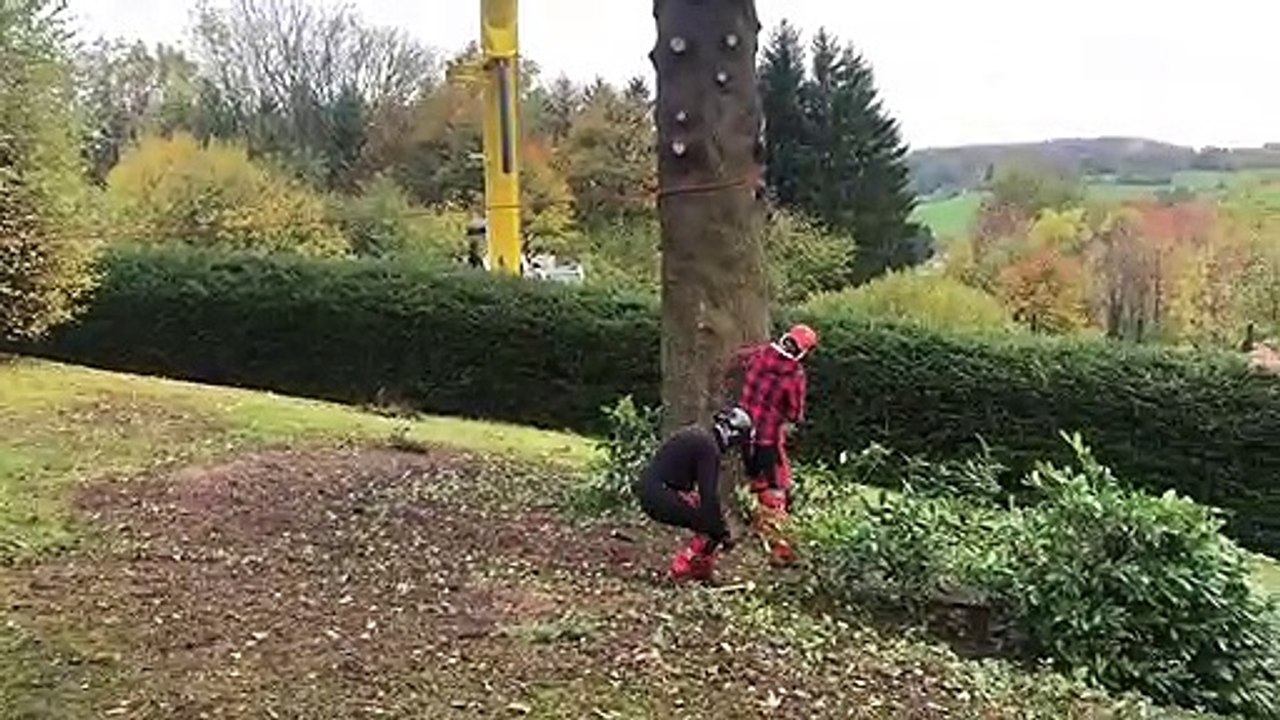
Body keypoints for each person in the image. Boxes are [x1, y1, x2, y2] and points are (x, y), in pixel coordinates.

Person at [730, 323, 818, 565]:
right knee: (775, 489)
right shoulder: (794, 374)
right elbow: (795, 412)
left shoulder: (761, 353)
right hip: (767, 440)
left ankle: (767, 532)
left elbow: (739, 359)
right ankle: (782, 549)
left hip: (744, 433)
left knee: (761, 486)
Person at [635, 406, 755, 582]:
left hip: (653, 491)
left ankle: (700, 570)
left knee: (708, 518)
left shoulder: (701, 437)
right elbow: (709, 496)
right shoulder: (709, 448)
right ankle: (683, 569)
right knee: (709, 524)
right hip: (658, 494)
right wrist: (722, 532)